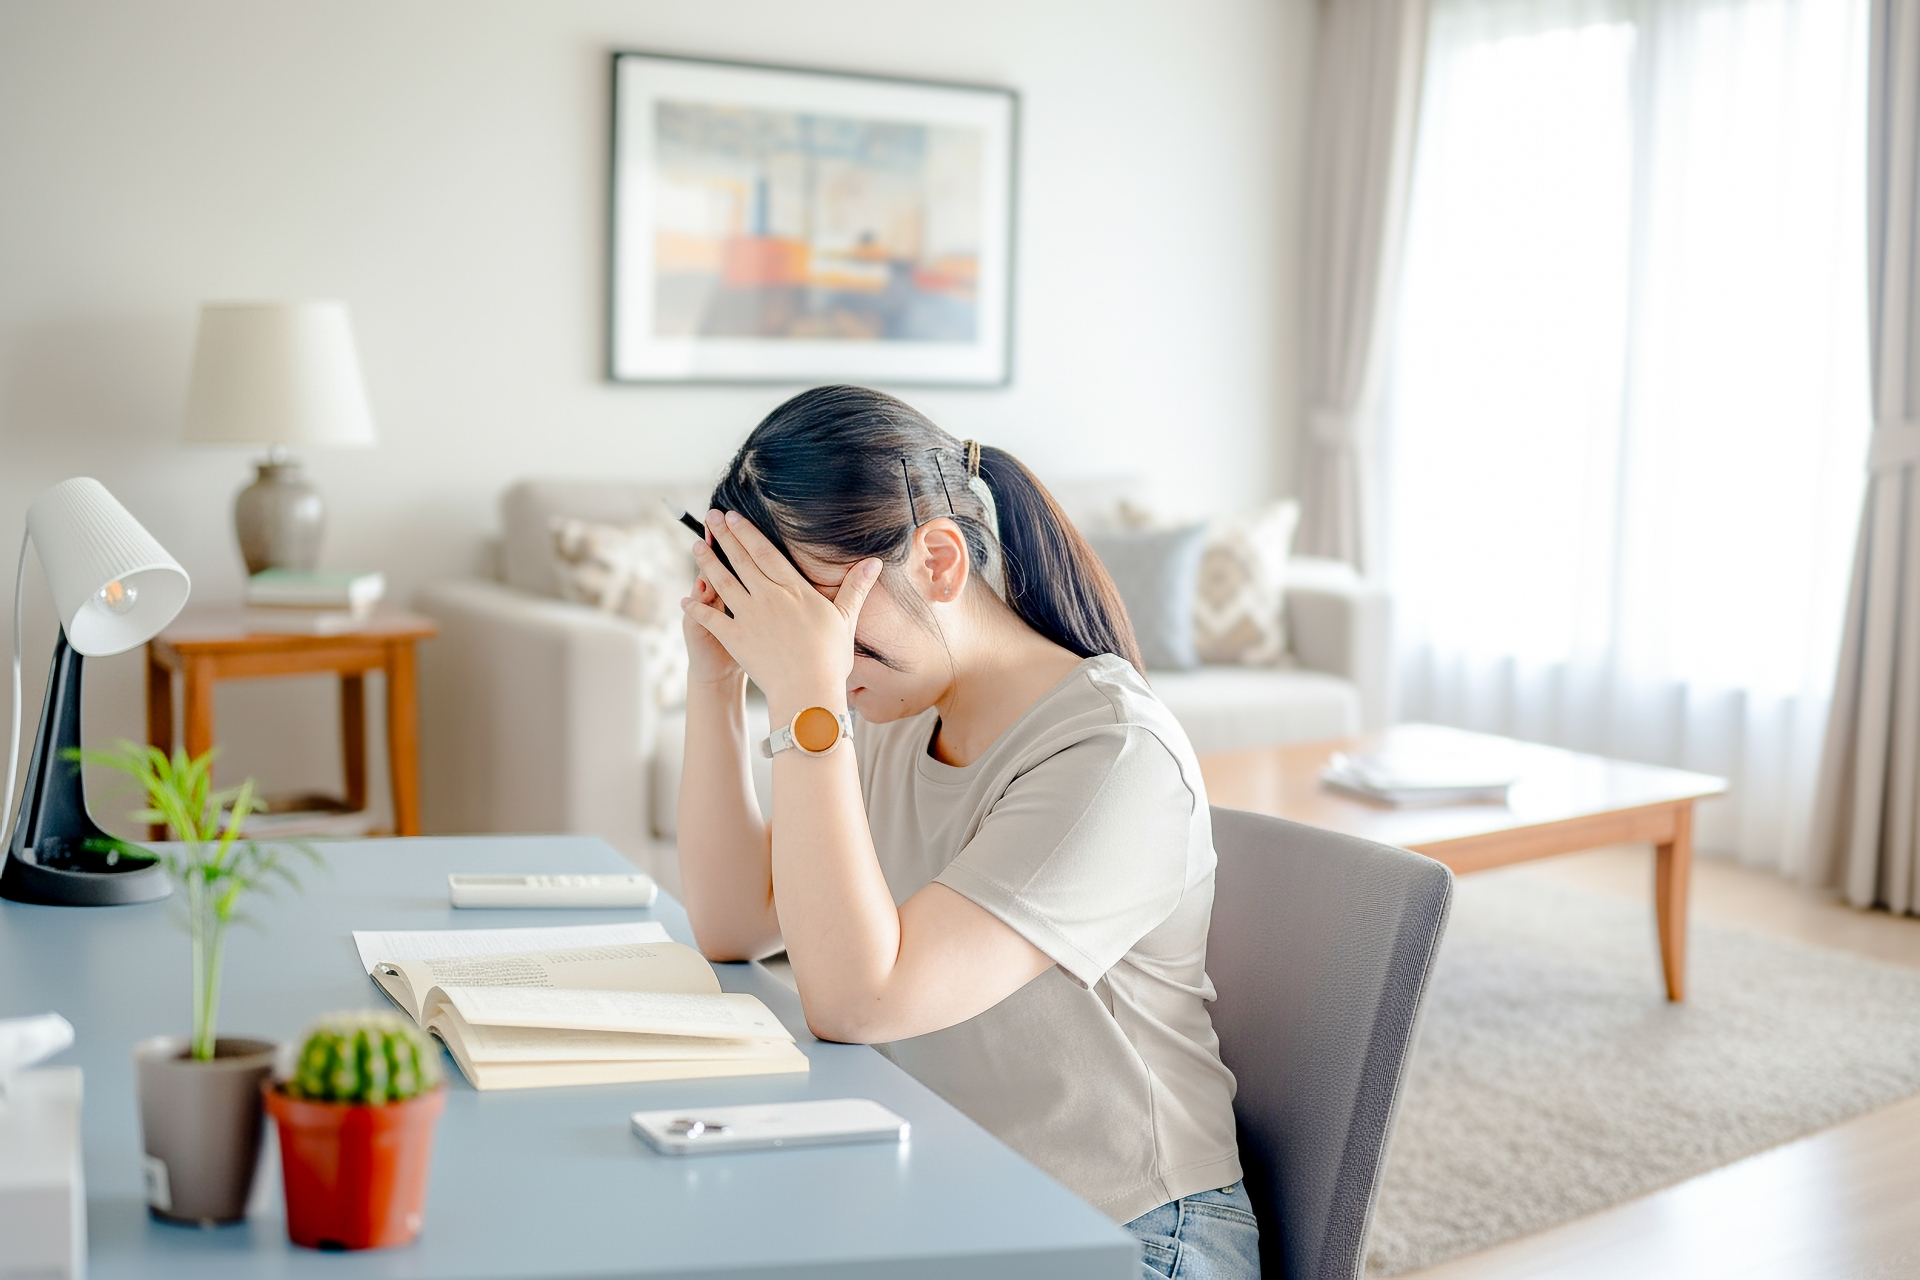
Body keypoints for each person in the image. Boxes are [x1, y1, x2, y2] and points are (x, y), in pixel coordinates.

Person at [676, 385, 1260, 1280]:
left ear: (939, 563)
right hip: (950, 1189)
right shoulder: (901, 703)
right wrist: (719, 677)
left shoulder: (1112, 754)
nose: (815, 655)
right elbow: (735, 920)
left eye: (822, 614)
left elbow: (858, 1001)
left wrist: (808, 703)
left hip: (1126, 1231)